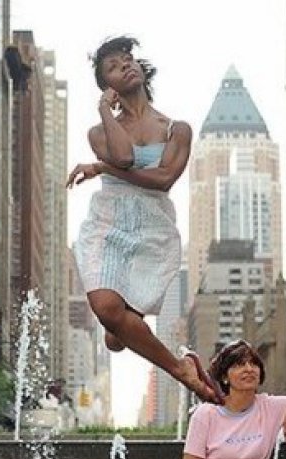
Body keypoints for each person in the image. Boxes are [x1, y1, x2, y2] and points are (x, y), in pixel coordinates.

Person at [67, 35, 222, 405]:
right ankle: (179, 368)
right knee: (106, 308)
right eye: (113, 66)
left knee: (118, 326)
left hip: (153, 228)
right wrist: (105, 110)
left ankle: (119, 328)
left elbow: (163, 179)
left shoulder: (176, 129)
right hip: (109, 222)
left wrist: (99, 168)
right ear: (107, 85)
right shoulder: (98, 132)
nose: (125, 65)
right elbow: (122, 157)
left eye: (128, 59)